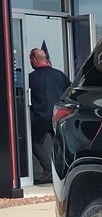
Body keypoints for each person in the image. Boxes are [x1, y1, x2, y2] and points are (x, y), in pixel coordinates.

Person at [28, 47, 70, 184]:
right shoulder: (59, 75)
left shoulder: (31, 78)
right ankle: (64, 172)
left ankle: (48, 170)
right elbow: (69, 93)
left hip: (41, 117)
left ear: (34, 59)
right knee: (61, 144)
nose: (30, 61)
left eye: (30, 59)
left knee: (34, 141)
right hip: (59, 115)